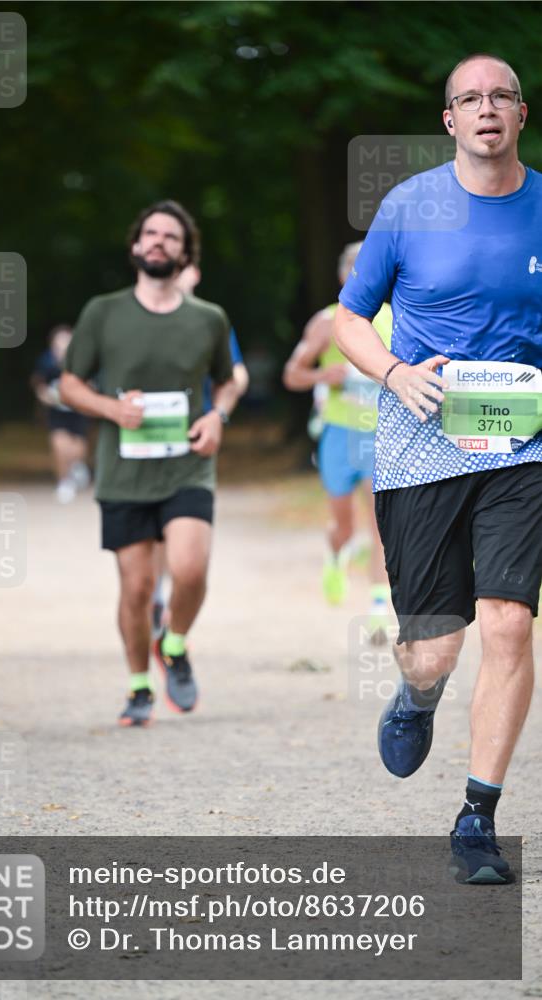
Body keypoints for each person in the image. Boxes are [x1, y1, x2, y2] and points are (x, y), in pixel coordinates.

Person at [335, 54, 541, 884]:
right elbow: (350, 318)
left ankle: (475, 817)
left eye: (500, 96)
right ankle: (416, 697)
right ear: (449, 121)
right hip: (421, 440)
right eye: (469, 98)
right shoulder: (408, 205)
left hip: (522, 440)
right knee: (433, 648)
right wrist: (393, 371)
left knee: (507, 623)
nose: (485, 108)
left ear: (520, 114)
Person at [60, 200, 239, 727]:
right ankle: (139, 686)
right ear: (136, 246)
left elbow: (228, 381)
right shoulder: (103, 312)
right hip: (124, 472)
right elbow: (70, 384)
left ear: (186, 253)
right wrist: (111, 408)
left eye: (171, 237)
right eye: (151, 234)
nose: (160, 242)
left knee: (190, 567)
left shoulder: (208, 318)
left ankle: (175, 644)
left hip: (187, 465)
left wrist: (218, 417)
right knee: (136, 588)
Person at [283, 243, 392, 641]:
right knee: (344, 526)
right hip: (338, 435)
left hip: (380, 435)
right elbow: (292, 375)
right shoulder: (327, 322)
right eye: (354, 267)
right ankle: (336, 554)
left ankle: (379, 609)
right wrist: (319, 378)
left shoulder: (399, 319)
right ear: (343, 275)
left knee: (381, 524)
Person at [151, 263, 250, 635]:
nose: (179, 276)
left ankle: (169, 608)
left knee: (181, 524)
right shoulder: (143, 317)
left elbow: (237, 372)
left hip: (195, 436)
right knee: (157, 526)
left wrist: (223, 405)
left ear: (196, 273)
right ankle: (157, 597)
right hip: (149, 436)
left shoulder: (211, 321)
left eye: (186, 268)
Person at [31, 325, 91, 504]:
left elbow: (92, 382)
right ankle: (64, 481)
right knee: (59, 445)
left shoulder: (82, 361)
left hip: (78, 411)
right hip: (57, 411)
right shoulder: (46, 361)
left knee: (77, 447)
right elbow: (38, 382)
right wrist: (43, 395)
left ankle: (76, 467)